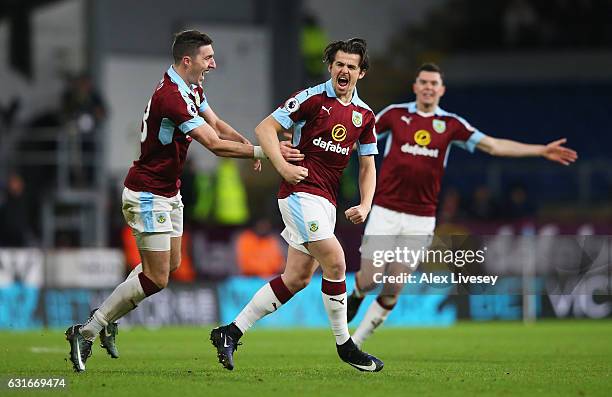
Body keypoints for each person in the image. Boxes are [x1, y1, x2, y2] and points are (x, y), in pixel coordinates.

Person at [64, 30, 293, 372]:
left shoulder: (190, 88)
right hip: (147, 194)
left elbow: (216, 124)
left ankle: (112, 316)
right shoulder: (172, 98)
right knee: (157, 278)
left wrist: (246, 142)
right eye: (208, 58)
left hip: (169, 192)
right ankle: (87, 330)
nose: (213, 64)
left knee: (168, 266)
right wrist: (266, 151)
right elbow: (213, 144)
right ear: (188, 60)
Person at [346, 62, 578, 347]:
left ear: (442, 90)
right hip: (385, 210)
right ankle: (357, 294)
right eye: (424, 82)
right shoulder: (395, 115)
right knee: (370, 280)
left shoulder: (452, 125)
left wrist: (540, 150)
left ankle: (355, 342)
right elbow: (359, 138)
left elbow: (493, 145)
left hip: (421, 219)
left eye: (434, 83)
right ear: (415, 87)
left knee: (393, 287)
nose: (429, 87)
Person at [210, 38, 384, 372]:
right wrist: (284, 167)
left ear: (361, 73)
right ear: (330, 67)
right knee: (335, 261)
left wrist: (366, 203)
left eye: (351, 66)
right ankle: (346, 345)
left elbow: (367, 166)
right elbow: (265, 128)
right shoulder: (312, 98)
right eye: (339, 64)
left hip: (326, 202)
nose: (344, 70)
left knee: (297, 278)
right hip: (300, 193)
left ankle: (229, 332)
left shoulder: (364, 116)